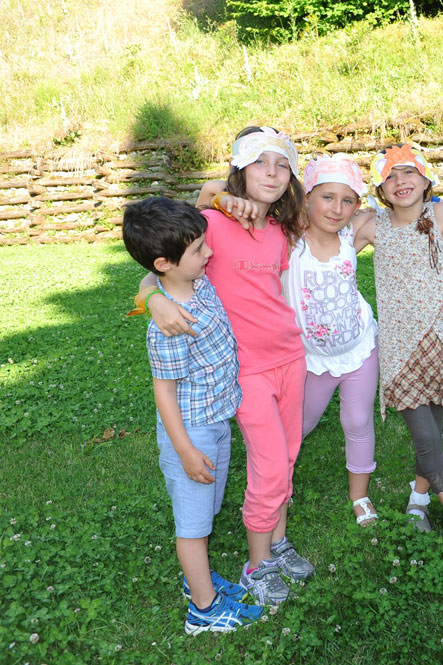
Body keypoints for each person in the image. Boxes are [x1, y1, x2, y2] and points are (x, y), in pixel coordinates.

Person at [141, 127, 315, 606]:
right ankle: (257, 566)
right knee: (270, 467)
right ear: (239, 169)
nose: (273, 174)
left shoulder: (281, 230)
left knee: (287, 458)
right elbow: (160, 267)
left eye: (282, 166)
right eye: (261, 163)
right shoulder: (210, 226)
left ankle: (276, 543)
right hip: (247, 371)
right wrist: (152, 299)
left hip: (290, 358)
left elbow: (273, 297)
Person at [122, 196, 263, 633]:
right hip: (193, 433)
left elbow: (153, 273)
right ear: (167, 262)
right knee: (194, 527)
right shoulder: (169, 323)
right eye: (200, 249)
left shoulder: (194, 282)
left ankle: (196, 582)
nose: (210, 253)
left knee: (208, 507)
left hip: (216, 423)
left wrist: (152, 293)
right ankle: (203, 609)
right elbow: (163, 392)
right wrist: (184, 449)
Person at [351, 143, 443, 553]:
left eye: (409, 173)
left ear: (426, 181)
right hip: (402, 347)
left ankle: (418, 502)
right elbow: (323, 238)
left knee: (433, 431)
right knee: (423, 437)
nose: (401, 182)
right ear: (381, 189)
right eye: (391, 176)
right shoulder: (371, 226)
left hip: (442, 338)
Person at [283, 155, 380, 526]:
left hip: (358, 349)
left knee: (358, 421)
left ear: (358, 206)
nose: (336, 209)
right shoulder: (289, 241)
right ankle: (279, 486)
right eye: (327, 197)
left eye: (347, 200)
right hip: (313, 359)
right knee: (298, 425)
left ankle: (360, 496)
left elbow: (413, 213)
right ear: (307, 196)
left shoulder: (352, 235)